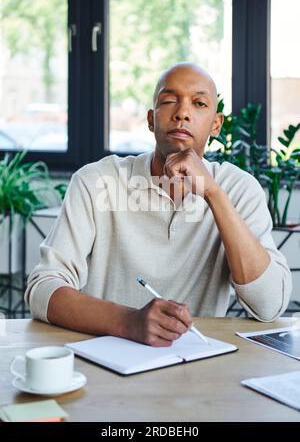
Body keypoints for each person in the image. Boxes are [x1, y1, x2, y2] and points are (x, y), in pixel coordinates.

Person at [25, 63, 292, 347]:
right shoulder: (97, 180)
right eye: (168, 101)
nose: (182, 113)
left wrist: (213, 194)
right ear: (152, 120)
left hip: (197, 360)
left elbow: (269, 305)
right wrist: (130, 322)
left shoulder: (239, 189)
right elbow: (43, 290)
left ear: (216, 125)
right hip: (106, 356)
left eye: (199, 103)